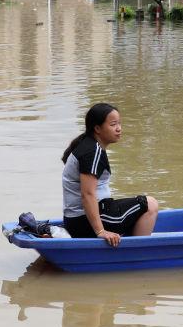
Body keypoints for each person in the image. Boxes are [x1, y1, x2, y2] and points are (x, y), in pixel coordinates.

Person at [61, 103, 159, 246]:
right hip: (84, 221)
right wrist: (101, 232)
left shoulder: (88, 144)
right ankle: (136, 253)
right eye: (113, 125)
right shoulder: (92, 152)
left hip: (81, 218)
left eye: (119, 123)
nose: (119, 129)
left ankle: (128, 241)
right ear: (97, 128)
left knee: (139, 206)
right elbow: (87, 194)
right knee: (150, 204)